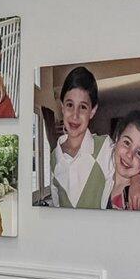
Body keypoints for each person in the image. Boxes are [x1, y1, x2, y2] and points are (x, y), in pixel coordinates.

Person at [47, 66, 112, 208]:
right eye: (70, 105)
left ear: (92, 111)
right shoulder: (54, 158)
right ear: (62, 107)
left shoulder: (104, 148)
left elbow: (129, 168)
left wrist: (137, 180)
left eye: (82, 107)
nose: (75, 115)